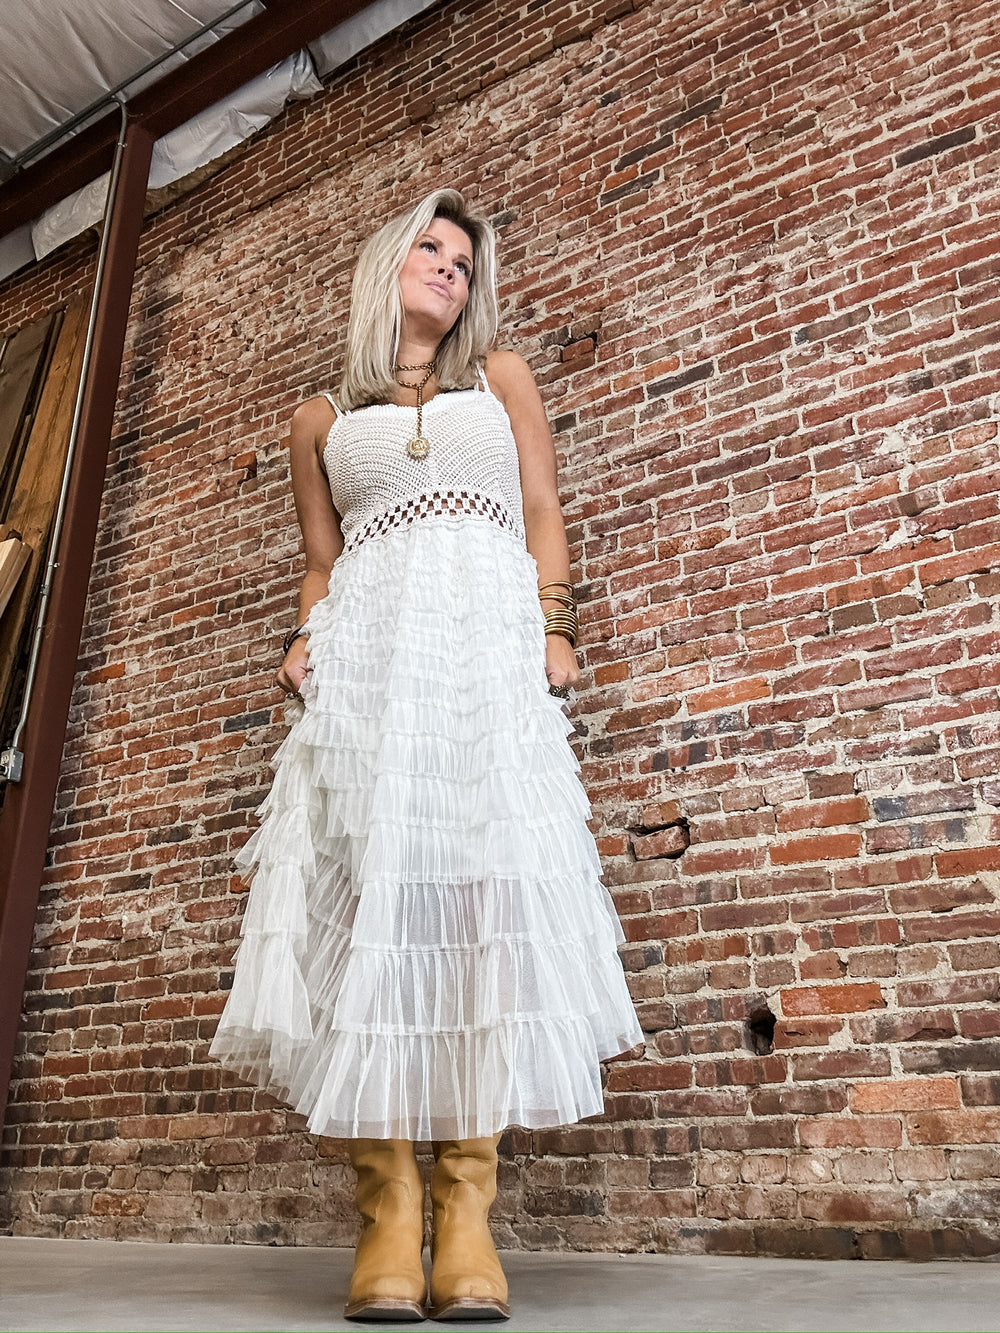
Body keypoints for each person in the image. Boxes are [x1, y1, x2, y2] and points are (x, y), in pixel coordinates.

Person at [210, 188, 643, 1322]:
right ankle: (389, 1214)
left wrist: (556, 628)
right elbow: (321, 559)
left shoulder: (499, 379)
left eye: (464, 258)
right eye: (431, 247)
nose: (451, 266)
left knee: (479, 909)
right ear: (388, 264)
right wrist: (302, 639)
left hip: (481, 664)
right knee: (370, 907)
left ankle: (468, 1211)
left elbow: (541, 509)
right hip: (366, 670)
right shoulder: (320, 419)